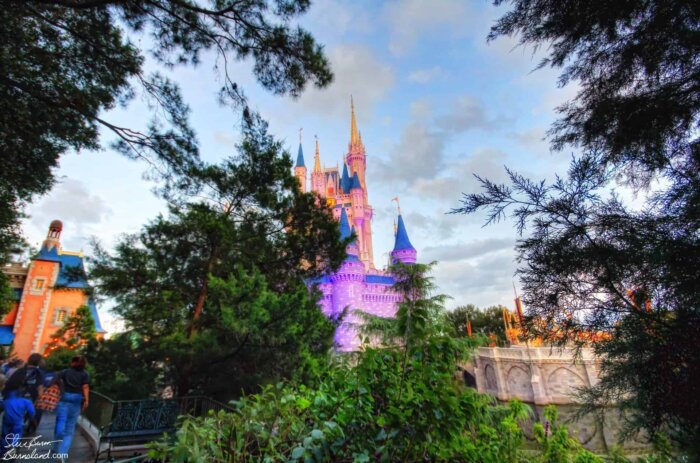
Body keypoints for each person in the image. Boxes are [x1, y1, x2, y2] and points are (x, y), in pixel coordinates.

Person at [53, 356, 90, 456]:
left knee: (61, 421)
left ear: (73, 362)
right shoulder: (85, 374)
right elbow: (85, 387)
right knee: (70, 428)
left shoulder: (65, 372)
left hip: (64, 397)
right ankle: (62, 453)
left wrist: (61, 388)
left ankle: (56, 446)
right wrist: (86, 399)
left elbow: (55, 379)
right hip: (77, 399)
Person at [2, 353, 45, 434]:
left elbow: (9, 384)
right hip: (28, 399)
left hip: (13, 398)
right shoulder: (39, 373)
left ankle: (4, 440)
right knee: (19, 421)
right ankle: (14, 442)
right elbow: (40, 389)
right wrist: (39, 399)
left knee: (8, 420)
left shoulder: (19, 371)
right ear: (39, 362)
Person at [0, 387, 35, 457]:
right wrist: (31, 419)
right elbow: (32, 412)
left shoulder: (6, 401)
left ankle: (2, 451)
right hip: (18, 421)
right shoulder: (26, 401)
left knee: (4, 435)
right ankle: (13, 447)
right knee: (17, 434)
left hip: (6, 420)